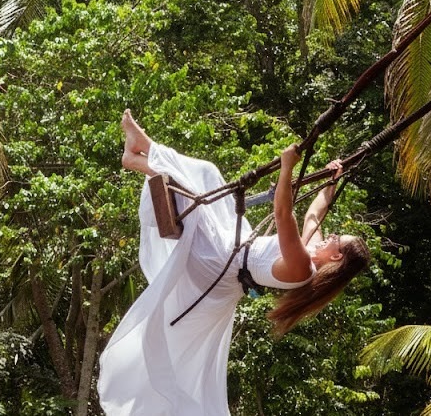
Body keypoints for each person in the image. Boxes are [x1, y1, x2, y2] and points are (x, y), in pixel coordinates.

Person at [98, 110, 370, 415]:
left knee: (193, 198)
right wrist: (332, 182)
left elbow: (284, 215)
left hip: (219, 263)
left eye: (336, 238)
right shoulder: (310, 251)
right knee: (209, 173)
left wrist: (286, 169)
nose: (330, 234)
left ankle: (137, 155)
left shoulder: (303, 268)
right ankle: (139, 151)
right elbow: (313, 214)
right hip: (233, 244)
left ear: (336, 256)